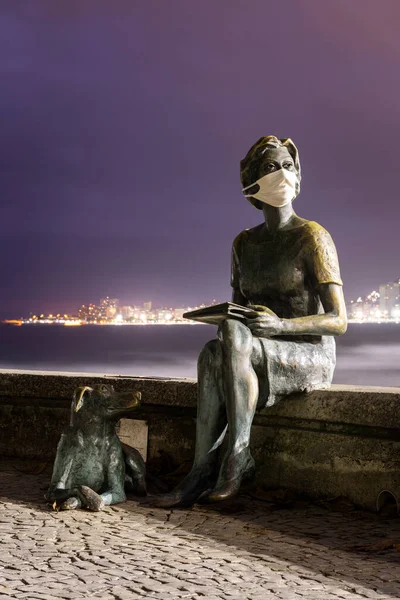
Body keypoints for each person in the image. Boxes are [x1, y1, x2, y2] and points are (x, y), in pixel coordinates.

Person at [154, 135, 347, 507]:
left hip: (307, 351)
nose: (282, 175)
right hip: (256, 349)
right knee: (211, 354)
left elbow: (339, 321)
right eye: (271, 167)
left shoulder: (313, 237)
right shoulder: (243, 243)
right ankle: (201, 468)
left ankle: (237, 456)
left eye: (288, 166)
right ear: (252, 185)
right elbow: (237, 312)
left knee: (226, 339)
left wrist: (282, 326)